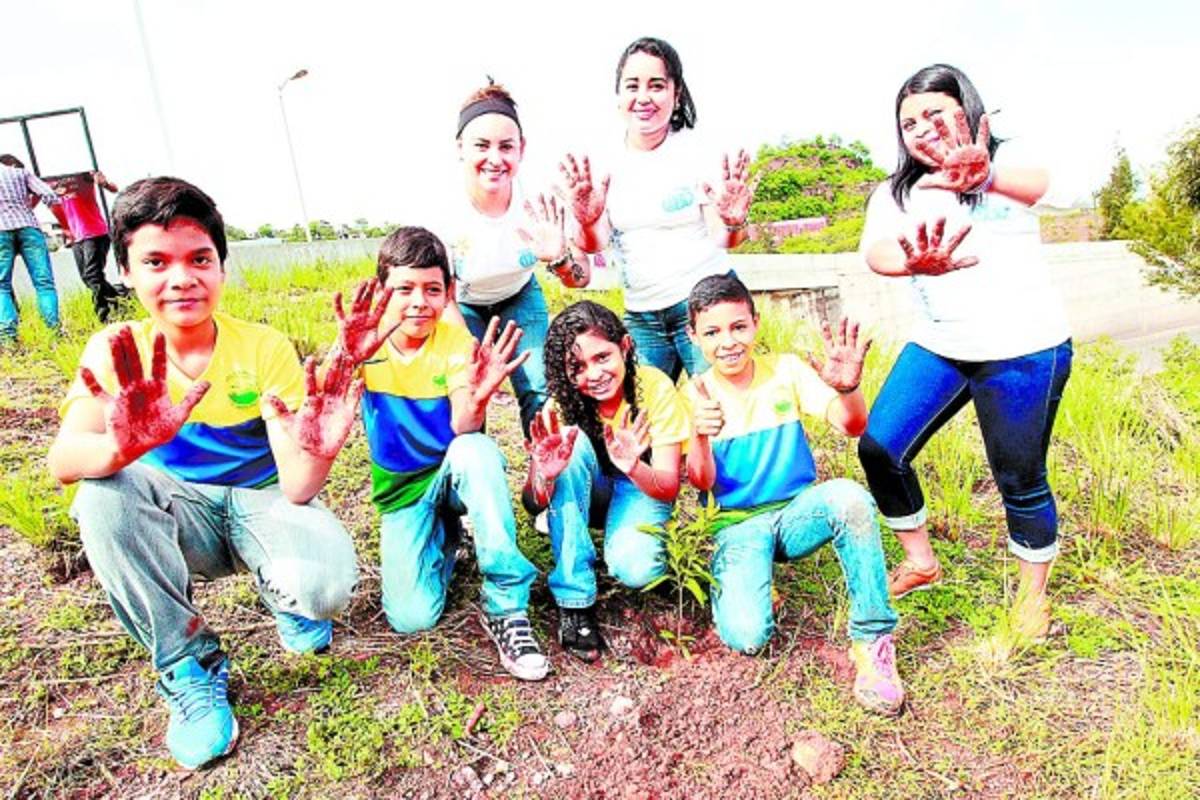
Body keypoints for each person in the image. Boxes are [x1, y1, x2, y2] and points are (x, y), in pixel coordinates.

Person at [47, 177, 361, 770]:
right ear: (126, 270)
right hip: (176, 516)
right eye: (156, 262)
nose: (182, 278)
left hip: (256, 506)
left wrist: (317, 450)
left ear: (221, 265)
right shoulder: (115, 350)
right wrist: (121, 446)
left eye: (199, 259)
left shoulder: (264, 347)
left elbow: (296, 488)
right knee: (101, 493)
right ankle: (187, 664)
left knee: (325, 588)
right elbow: (64, 461)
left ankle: (287, 598)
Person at [856, 64, 1073, 641]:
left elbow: (1044, 185)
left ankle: (1033, 599)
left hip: (1025, 352)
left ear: (967, 110)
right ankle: (922, 561)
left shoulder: (1004, 162)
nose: (922, 129)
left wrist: (987, 175)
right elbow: (876, 252)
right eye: (908, 122)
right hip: (943, 345)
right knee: (880, 447)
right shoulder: (897, 190)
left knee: (1019, 478)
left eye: (935, 113)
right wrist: (911, 263)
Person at [332, 226, 549, 681]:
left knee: (477, 450)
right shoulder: (364, 344)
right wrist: (345, 359)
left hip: (449, 474)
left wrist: (480, 395)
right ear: (381, 291)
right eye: (404, 289)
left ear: (449, 292)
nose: (418, 302)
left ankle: (507, 605)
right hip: (402, 492)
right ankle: (446, 541)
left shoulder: (453, 343)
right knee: (412, 617)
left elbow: (461, 428)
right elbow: (329, 400)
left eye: (432, 289)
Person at [680, 274, 904, 715]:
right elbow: (701, 482)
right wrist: (700, 435)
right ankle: (748, 579)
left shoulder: (785, 370)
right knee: (747, 637)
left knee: (851, 498)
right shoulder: (692, 394)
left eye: (738, 327)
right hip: (736, 524)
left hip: (796, 513)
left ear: (755, 324)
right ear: (693, 337)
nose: (728, 342)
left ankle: (873, 640)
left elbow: (852, 426)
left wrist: (848, 389)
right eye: (712, 332)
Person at [558, 36, 751, 382]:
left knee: (718, 411)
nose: (643, 97)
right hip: (642, 314)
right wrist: (586, 220)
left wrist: (734, 223)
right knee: (643, 416)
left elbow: (725, 238)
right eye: (632, 86)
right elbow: (594, 244)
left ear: (676, 94)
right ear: (618, 96)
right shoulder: (602, 162)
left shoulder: (697, 150)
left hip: (705, 305)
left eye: (657, 85)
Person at [523, 300, 688, 661]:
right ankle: (574, 598)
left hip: (638, 484)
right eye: (577, 367)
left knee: (636, 567)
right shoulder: (561, 405)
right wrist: (545, 477)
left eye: (602, 358)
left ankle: (622, 540)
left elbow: (669, 485)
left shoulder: (653, 389)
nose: (593, 374)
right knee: (571, 440)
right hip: (588, 489)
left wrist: (632, 466)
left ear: (625, 347)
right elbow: (532, 502)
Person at [445, 80, 590, 439]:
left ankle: (548, 482)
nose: (495, 159)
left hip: (519, 294)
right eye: (481, 145)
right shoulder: (441, 209)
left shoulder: (541, 199)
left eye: (506, 146)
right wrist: (470, 348)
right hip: (460, 303)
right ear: (460, 147)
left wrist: (559, 259)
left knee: (542, 387)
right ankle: (473, 481)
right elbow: (440, 294)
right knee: (470, 392)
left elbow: (580, 276)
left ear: (521, 149)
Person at [48, 169, 130, 322]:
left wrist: (103, 182)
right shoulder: (50, 183)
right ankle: (120, 299)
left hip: (95, 233)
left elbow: (113, 188)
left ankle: (103, 313)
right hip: (76, 237)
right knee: (87, 278)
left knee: (93, 275)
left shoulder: (82, 176)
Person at [0, 154, 61, 342]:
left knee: (1, 286)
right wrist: (26, 206)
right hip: (28, 227)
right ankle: (53, 333)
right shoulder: (20, 172)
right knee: (44, 283)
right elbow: (50, 195)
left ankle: (9, 338)